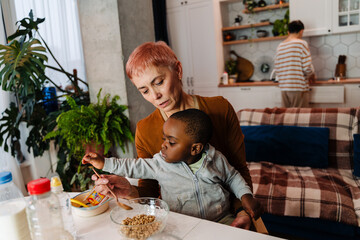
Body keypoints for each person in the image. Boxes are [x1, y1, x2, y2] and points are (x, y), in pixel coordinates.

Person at [88, 41, 254, 229]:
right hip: (180, 223)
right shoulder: (145, 129)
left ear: (178, 70)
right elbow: (149, 190)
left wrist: (243, 212)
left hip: (226, 219)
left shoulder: (219, 108)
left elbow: (238, 168)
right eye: (144, 90)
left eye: (158, 82)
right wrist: (130, 191)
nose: (154, 96)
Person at [82, 109, 262, 224]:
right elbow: (133, 166)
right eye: (164, 139)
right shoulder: (159, 164)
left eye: (171, 142)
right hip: (180, 221)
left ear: (195, 148)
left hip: (221, 219)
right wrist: (104, 162)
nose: (163, 145)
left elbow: (232, 177)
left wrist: (245, 196)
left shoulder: (215, 159)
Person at [274, 20, 316, 108]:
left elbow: (277, 68)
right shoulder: (301, 43)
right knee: (300, 118)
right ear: (301, 31)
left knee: (287, 118)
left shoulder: (280, 46)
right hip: (298, 87)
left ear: (288, 32)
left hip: (284, 88)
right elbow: (307, 68)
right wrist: (311, 75)